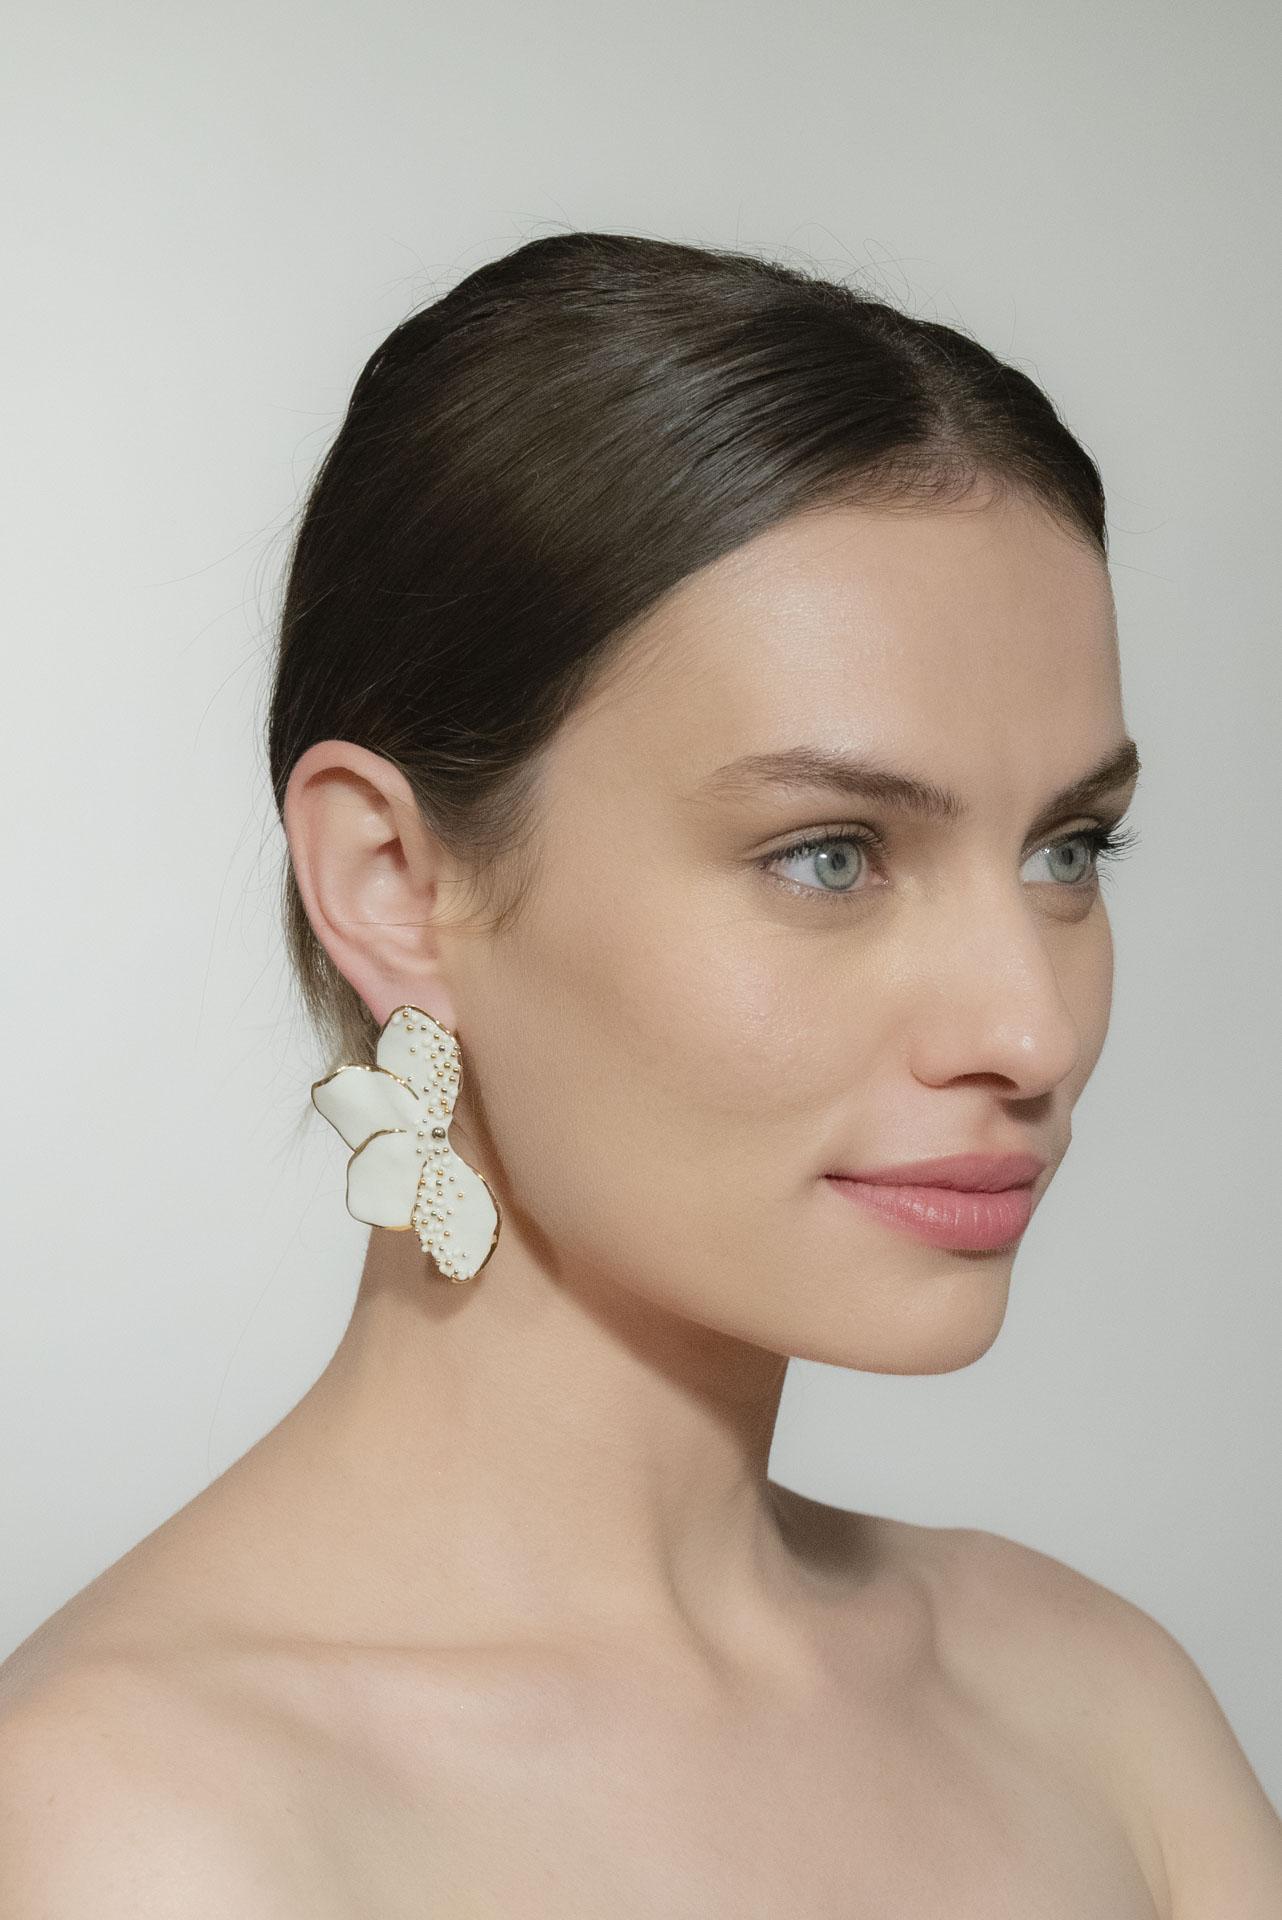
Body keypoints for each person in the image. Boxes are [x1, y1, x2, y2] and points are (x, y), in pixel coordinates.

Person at [1, 230, 1279, 1916]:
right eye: (829, 855)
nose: (1028, 1032)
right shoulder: (140, 1832)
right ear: (392, 882)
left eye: (1067, 849)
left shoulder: (1096, 1706)